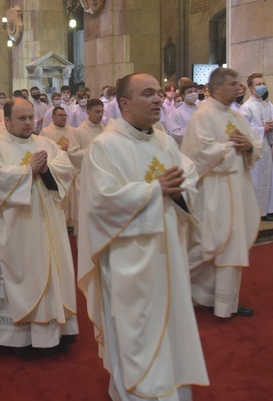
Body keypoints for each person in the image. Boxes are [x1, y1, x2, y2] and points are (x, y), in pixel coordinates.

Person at [77, 73, 208, 400]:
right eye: (147, 94)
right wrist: (154, 190)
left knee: (171, 329)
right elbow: (99, 203)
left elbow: (187, 177)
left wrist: (176, 190)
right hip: (127, 262)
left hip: (167, 255)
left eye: (158, 93)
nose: (156, 100)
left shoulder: (163, 141)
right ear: (124, 104)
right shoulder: (104, 147)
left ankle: (171, 391)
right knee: (135, 334)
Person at [0, 97, 77, 348]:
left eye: (31, 118)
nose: (29, 123)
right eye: (22, 118)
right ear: (6, 120)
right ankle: (7, 335)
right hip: (12, 226)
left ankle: (51, 329)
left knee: (49, 270)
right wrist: (27, 170)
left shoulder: (45, 143)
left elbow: (65, 167)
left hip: (46, 224)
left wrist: (46, 169)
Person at [181, 67, 262, 318]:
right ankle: (195, 295)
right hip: (213, 189)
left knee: (234, 242)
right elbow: (198, 153)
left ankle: (227, 302)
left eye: (240, 84)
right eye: (233, 84)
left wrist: (248, 146)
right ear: (216, 89)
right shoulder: (202, 116)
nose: (239, 88)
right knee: (209, 243)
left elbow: (254, 145)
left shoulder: (236, 116)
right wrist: (231, 147)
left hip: (238, 188)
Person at [239, 73, 273, 221]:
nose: (262, 86)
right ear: (250, 88)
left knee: (266, 178)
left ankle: (265, 210)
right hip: (254, 149)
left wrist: (272, 127)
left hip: (266, 146)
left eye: (263, 83)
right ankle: (255, 211)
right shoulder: (246, 107)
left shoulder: (268, 105)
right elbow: (244, 129)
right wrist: (262, 129)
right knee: (255, 179)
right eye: (258, 84)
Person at [67, 98, 105, 230]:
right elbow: (72, 153)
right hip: (85, 176)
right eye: (97, 112)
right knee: (85, 211)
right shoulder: (79, 131)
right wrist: (93, 152)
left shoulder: (105, 130)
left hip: (103, 176)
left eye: (102, 112)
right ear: (88, 112)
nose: (100, 115)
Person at [168, 81, 199, 147]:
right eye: (190, 92)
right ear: (183, 95)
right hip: (185, 148)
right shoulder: (177, 113)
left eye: (195, 91)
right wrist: (195, 130)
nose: (194, 93)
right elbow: (175, 133)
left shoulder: (201, 109)